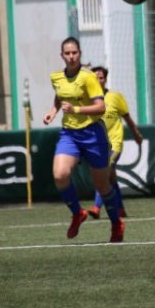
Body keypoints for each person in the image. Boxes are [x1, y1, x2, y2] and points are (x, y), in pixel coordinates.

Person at [43, 37, 125, 243]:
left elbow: (101, 107)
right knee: (60, 175)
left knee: (103, 186)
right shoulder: (56, 77)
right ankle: (77, 213)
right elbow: (60, 96)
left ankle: (116, 223)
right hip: (69, 133)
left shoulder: (88, 77)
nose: (71, 57)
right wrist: (53, 111)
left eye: (74, 53)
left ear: (80, 54)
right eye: (67, 53)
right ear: (62, 55)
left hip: (93, 134)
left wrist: (76, 109)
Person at [87, 66, 144, 220]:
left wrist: (136, 134)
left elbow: (128, 119)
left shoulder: (115, 97)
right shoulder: (87, 100)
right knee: (111, 177)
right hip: (98, 145)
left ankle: (96, 207)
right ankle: (120, 210)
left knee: (104, 171)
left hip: (115, 143)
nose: (98, 80)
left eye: (101, 77)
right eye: (95, 77)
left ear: (105, 79)